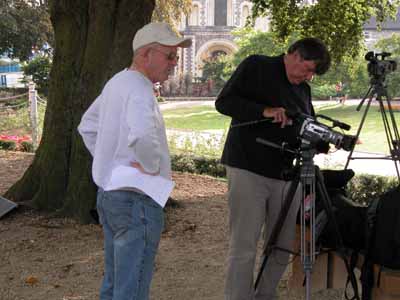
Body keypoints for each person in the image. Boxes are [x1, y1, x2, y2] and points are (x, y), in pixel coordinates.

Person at [78, 22, 191, 300]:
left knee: (115, 283)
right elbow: (140, 134)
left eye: (175, 57)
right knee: (132, 288)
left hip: (111, 197)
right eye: (169, 56)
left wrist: (110, 162)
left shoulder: (117, 82)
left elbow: (87, 126)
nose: (174, 63)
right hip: (136, 200)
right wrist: (150, 167)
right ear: (145, 55)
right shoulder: (139, 87)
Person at [215, 38, 331, 300]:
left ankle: (265, 295)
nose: (308, 76)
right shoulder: (257, 65)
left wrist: (325, 140)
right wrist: (265, 111)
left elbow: (304, 124)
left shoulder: (303, 90)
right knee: (244, 245)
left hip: (286, 175)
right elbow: (224, 103)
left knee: (281, 244)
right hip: (247, 168)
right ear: (295, 56)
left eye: (312, 73)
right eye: (308, 69)